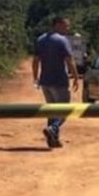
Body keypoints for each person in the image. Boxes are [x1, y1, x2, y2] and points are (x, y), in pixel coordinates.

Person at [32, 17, 79, 149]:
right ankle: (53, 129)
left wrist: (35, 77)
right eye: (66, 26)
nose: (67, 29)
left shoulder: (40, 39)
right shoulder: (61, 40)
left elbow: (35, 61)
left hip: (45, 81)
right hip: (59, 81)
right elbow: (69, 60)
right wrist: (75, 77)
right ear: (57, 25)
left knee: (52, 110)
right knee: (65, 110)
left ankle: (53, 140)